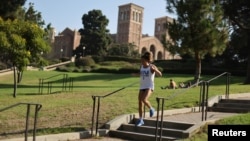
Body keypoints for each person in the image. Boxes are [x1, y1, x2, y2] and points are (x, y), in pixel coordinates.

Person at [133, 51, 162, 126]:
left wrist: (155, 70)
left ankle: (151, 108)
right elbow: (141, 73)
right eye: (141, 61)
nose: (141, 62)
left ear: (147, 60)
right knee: (140, 102)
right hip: (142, 86)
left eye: (143, 61)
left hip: (149, 86)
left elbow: (160, 74)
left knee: (144, 99)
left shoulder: (152, 67)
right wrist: (135, 74)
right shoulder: (142, 66)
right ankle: (141, 119)